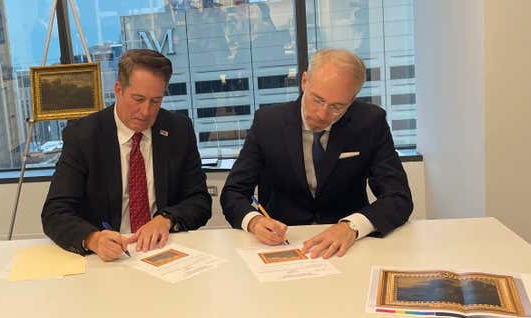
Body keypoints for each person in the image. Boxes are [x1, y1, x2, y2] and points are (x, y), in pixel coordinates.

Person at [220, 49, 413, 259]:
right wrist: (254, 222)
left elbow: (398, 197)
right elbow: (233, 192)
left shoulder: (369, 122)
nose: (322, 115)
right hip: (283, 243)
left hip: (348, 247)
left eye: (337, 106)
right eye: (317, 100)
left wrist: (352, 226)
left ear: (353, 98)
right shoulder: (268, 123)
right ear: (304, 81)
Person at [42, 49, 211, 261]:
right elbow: (55, 212)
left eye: (155, 101)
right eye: (138, 99)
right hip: (107, 256)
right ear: (118, 90)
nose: (146, 112)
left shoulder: (178, 130)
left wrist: (166, 219)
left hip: (163, 251)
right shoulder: (83, 136)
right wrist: (93, 238)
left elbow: (200, 201)